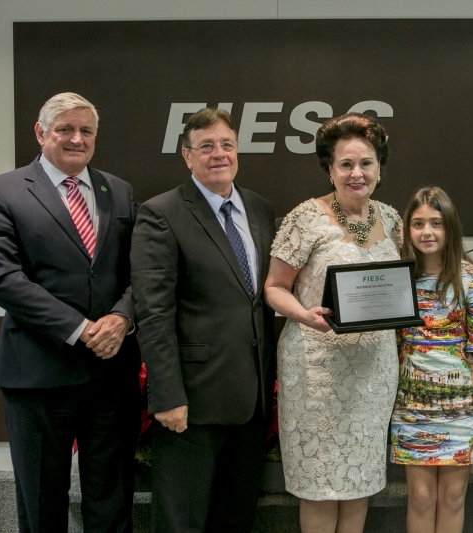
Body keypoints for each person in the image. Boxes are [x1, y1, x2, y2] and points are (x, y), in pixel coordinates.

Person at [0, 92, 139, 532]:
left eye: (86, 131)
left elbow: (144, 271)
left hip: (110, 375)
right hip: (39, 374)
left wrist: (122, 317)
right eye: (65, 129)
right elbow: (4, 277)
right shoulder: (5, 190)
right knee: (42, 506)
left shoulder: (118, 190)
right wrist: (78, 328)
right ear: (41, 133)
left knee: (111, 501)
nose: (76, 139)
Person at [130, 108, 277, 532]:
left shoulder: (260, 209)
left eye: (227, 144)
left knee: (235, 520)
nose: (219, 154)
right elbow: (153, 313)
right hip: (191, 404)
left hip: (251, 404)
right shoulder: (162, 213)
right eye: (206, 146)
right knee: (182, 523)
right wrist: (167, 396)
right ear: (186, 155)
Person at [264, 113, 401, 533]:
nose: (356, 173)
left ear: (379, 167)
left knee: (360, 483)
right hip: (316, 371)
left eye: (366, 163)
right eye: (346, 164)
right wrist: (303, 314)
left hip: (374, 372)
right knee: (321, 487)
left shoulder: (392, 219)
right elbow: (274, 287)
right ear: (330, 168)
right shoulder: (305, 217)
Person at [389, 186, 473, 533]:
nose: (427, 232)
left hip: (463, 405)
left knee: (453, 497)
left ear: (449, 227)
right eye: (418, 223)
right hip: (410, 404)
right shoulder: (397, 277)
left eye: (436, 223)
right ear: (408, 230)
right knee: (419, 497)